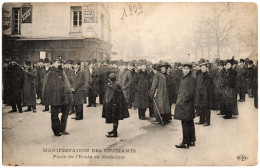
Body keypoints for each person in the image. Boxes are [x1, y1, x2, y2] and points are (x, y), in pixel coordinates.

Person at [42, 56, 73, 136]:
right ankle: (56, 131)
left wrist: (69, 93)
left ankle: (62, 129)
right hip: (55, 97)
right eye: (57, 62)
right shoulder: (50, 72)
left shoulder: (62, 71)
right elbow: (46, 86)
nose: (59, 64)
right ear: (53, 63)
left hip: (64, 96)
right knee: (55, 114)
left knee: (65, 113)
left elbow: (66, 83)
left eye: (60, 62)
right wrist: (47, 98)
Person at [174, 63, 196, 149]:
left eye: (187, 69)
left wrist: (183, 100)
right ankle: (191, 140)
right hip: (187, 104)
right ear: (182, 69)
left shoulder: (190, 79)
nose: (185, 70)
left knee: (185, 123)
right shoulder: (187, 78)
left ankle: (185, 142)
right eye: (184, 68)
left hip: (186, 104)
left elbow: (190, 93)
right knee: (189, 122)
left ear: (190, 69)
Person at [102, 73, 130, 138]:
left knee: (114, 119)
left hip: (113, 105)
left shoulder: (111, 87)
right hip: (117, 105)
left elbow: (108, 97)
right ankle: (114, 130)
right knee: (115, 119)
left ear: (109, 79)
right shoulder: (117, 85)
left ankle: (115, 133)